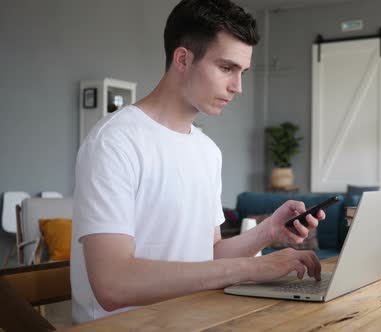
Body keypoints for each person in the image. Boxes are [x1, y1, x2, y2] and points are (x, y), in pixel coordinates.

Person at [70, 0, 324, 324]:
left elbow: (208, 256)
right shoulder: (114, 142)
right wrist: (252, 268)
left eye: (242, 72)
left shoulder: (207, 151)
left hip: (195, 320)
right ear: (183, 59)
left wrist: (268, 232)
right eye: (226, 68)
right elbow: (112, 284)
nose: (238, 87)